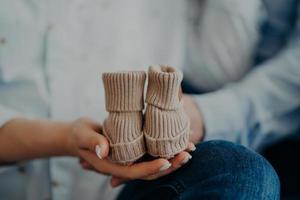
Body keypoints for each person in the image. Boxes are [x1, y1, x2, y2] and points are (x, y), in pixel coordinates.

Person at [0, 1, 280, 200]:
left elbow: (221, 70)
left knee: (242, 169)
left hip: (132, 190)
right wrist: (66, 139)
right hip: (19, 184)